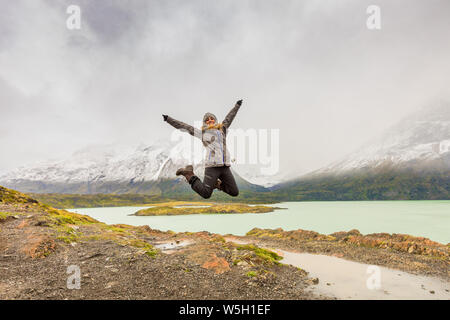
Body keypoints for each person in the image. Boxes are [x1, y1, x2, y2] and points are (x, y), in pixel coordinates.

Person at [163, 99, 243, 199]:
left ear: (215, 120)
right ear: (205, 123)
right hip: (212, 167)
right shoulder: (202, 134)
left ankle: (217, 184)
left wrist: (237, 106)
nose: (210, 120)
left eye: (212, 118)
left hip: (225, 166)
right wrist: (168, 119)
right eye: (207, 120)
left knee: (234, 192)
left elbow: (229, 117)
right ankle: (189, 174)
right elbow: (184, 126)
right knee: (206, 194)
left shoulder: (222, 129)